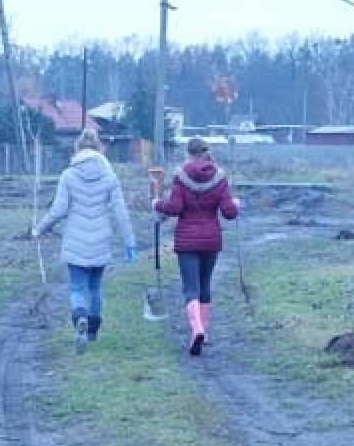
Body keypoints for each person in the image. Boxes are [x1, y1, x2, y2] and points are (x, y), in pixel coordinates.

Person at [32, 127, 137, 353]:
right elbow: (121, 212)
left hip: (75, 240)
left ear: (77, 149)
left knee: (77, 287)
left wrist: (40, 229)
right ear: (99, 149)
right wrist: (130, 242)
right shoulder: (110, 176)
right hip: (100, 239)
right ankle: (92, 330)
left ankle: (79, 316)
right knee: (95, 287)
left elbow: (59, 209)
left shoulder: (68, 175)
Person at [154, 137, 240, 356]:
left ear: (188, 154)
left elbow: (174, 207)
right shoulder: (220, 177)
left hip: (187, 240)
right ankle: (204, 331)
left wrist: (157, 203)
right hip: (211, 239)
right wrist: (236, 204)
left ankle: (197, 328)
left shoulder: (180, 176)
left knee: (190, 288)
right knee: (205, 286)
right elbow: (229, 213)